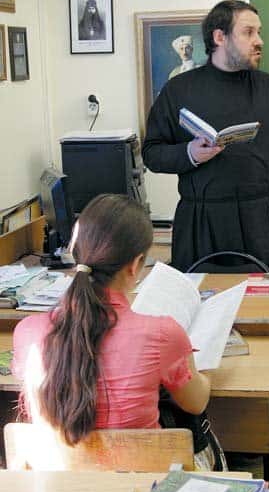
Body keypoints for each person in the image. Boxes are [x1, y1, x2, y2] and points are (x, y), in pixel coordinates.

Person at [142, 0, 269, 272]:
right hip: (202, 223)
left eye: (259, 32)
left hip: (262, 223)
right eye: (248, 32)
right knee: (201, 297)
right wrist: (189, 153)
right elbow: (152, 153)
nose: (259, 41)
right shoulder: (178, 89)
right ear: (220, 37)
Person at [12, 194, 217, 468]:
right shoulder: (163, 334)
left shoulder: (27, 332)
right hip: (142, 487)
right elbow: (196, 402)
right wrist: (207, 362)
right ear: (135, 265)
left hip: (58, 485)